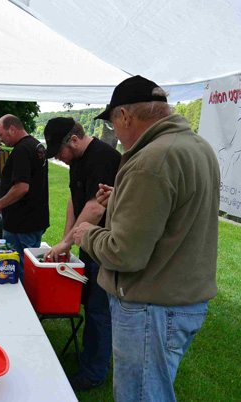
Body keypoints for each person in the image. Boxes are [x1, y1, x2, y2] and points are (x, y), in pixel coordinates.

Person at [72, 76, 220, 401]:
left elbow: (125, 254)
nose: (116, 133)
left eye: (113, 123)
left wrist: (86, 234)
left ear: (125, 115)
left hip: (150, 307)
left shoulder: (152, 161)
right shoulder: (196, 146)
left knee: (140, 396)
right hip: (183, 300)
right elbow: (179, 210)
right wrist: (126, 196)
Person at [43, 117, 121, 392]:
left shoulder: (102, 158)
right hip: (89, 245)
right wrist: (66, 241)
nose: (60, 159)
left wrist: (66, 245)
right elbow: (73, 202)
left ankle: (95, 372)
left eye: (59, 152)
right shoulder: (76, 161)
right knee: (89, 305)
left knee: (100, 311)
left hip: (107, 248)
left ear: (73, 140)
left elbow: (95, 207)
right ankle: (91, 357)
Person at [0, 114, 49, 282]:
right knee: (28, 266)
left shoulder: (21, 150)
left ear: (12, 129)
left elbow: (21, 187)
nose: (0, 139)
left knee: (18, 270)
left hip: (22, 225)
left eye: (1, 134)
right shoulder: (37, 145)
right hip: (35, 219)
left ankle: (23, 305)